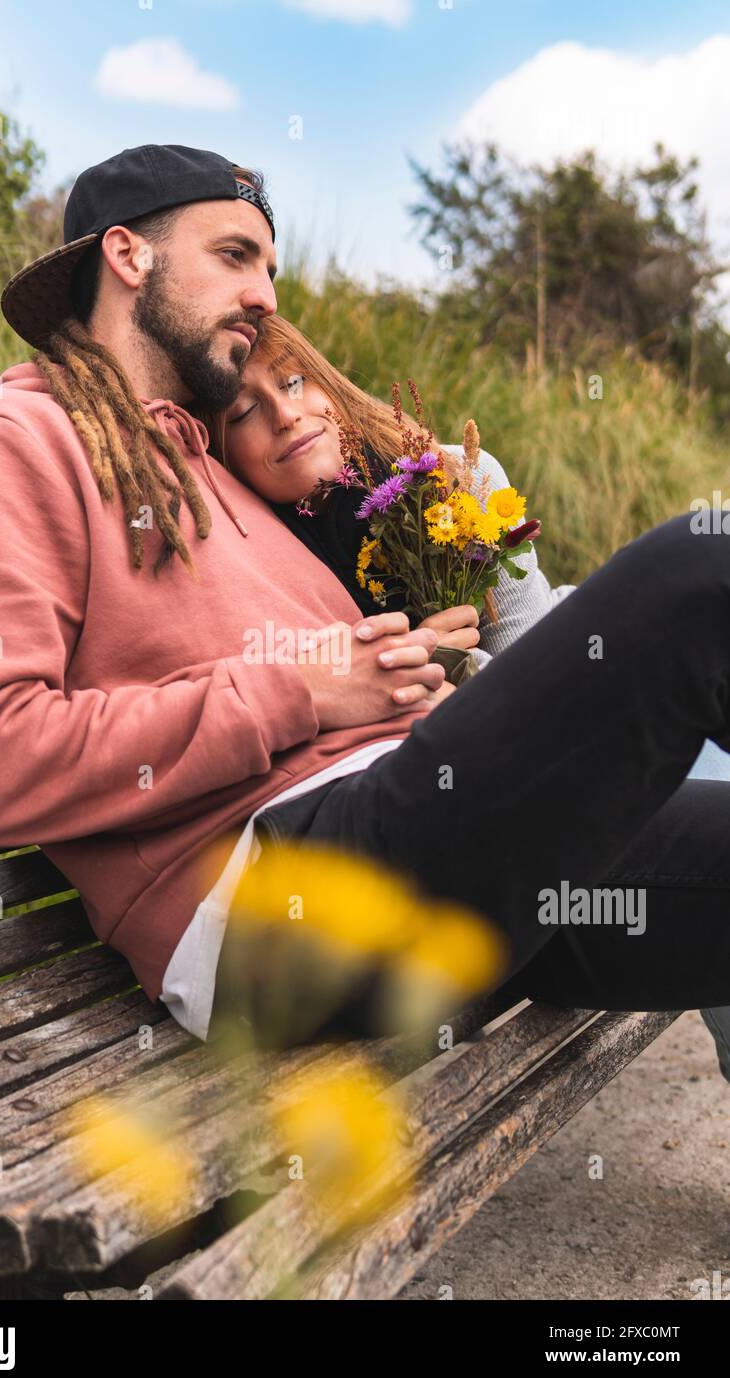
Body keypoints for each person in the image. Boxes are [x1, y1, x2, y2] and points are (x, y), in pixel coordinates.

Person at [0, 144, 730, 1072]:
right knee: (704, 568)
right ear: (129, 257)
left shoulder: (225, 474)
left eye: (272, 269)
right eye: (235, 256)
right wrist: (297, 689)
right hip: (269, 896)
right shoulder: (7, 442)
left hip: (418, 838)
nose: (267, 296)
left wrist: (434, 688)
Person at [194, 312, 730, 1071]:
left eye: (292, 379)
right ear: (218, 449)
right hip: (437, 830)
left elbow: (542, 653)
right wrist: (418, 677)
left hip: (542, 709)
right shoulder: (256, 552)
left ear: (326, 378)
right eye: (242, 413)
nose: (285, 414)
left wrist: (468, 669)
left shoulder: (453, 475)